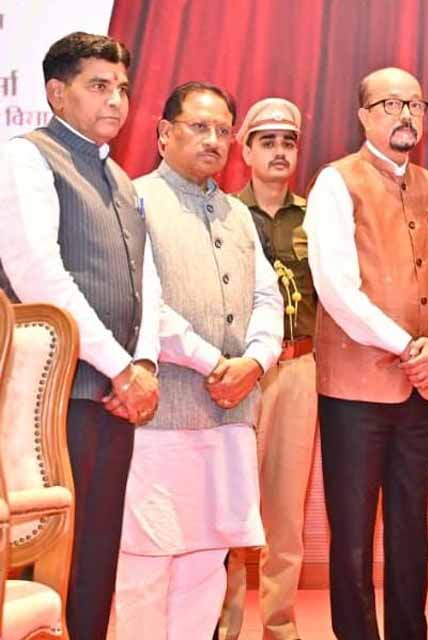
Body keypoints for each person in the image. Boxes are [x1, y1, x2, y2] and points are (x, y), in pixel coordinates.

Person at [0, 32, 160, 640]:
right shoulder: (27, 158)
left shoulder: (121, 179)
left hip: (115, 396)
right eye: (99, 86)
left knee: (96, 554)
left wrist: (143, 365)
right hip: (50, 400)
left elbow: (147, 281)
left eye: (122, 88)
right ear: (56, 93)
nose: (116, 100)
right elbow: (38, 274)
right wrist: (121, 367)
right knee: (46, 554)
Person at [304, 66, 428, 640]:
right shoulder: (336, 183)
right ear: (363, 116)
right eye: (390, 105)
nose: (405, 115)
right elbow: (336, 289)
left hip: (422, 384)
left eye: (415, 105)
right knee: (352, 534)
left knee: (409, 527)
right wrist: (408, 346)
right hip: (354, 391)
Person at [113, 81, 283, 639]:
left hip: (230, 418)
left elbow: (267, 299)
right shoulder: (134, 200)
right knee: (146, 563)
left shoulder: (237, 214)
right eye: (199, 127)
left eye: (222, 131)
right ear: (164, 134)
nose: (213, 140)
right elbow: (145, 303)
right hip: (161, 418)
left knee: (208, 562)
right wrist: (215, 364)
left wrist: (255, 362)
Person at [219, 97, 317, 640]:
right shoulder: (225, 214)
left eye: (288, 142)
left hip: (299, 369)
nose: (280, 152)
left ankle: (280, 627)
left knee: (285, 513)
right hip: (240, 375)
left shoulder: (315, 218)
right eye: (268, 142)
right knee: (232, 507)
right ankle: (224, 626)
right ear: (247, 151)